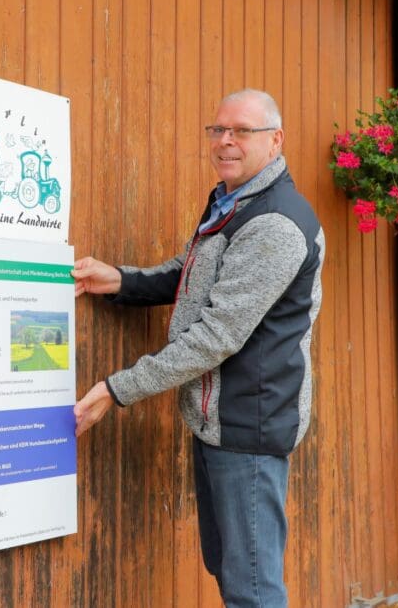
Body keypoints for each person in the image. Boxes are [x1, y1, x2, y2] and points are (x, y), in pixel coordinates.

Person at [72, 89, 324, 608]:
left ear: (275, 140)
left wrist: (116, 389)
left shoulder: (274, 224)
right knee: (230, 570)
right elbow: (192, 274)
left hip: (247, 425)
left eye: (242, 131)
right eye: (218, 130)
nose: (226, 141)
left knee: (252, 590)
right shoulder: (233, 200)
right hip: (218, 419)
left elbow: (217, 335)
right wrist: (120, 280)